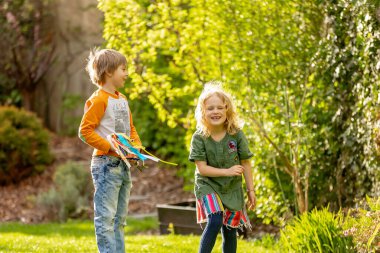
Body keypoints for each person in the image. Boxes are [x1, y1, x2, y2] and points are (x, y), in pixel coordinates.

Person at [78, 48, 141, 253]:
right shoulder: (98, 100)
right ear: (109, 72)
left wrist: (136, 150)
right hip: (105, 165)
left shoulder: (122, 99)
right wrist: (110, 146)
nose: (127, 73)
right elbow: (84, 131)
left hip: (123, 165)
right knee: (105, 219)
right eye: (124, 69)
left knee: (120, 220)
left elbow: (130, 129)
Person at [189, 82, 256, 253]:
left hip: (232, 187)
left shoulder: (237, 134)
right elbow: (202, 169)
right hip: (207, 184)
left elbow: (246, 163)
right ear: (203, 112)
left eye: (220, 107)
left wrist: (251, 191)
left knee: (230, 230)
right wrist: (227, 171)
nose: (215, 111)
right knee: (215, 219)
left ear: (227, 110)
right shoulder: (199, 137)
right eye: (210, 108)